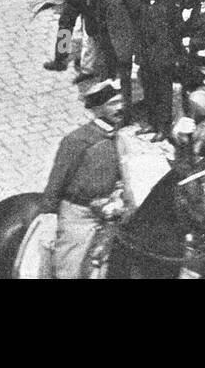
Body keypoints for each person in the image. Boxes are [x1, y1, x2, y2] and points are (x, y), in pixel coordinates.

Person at [37, 81, 124, 279]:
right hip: (79, 215)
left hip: (112, 212)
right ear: (98, 109)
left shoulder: (121, 136)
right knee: (70, 269)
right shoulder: (78, 140)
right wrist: (49, 214)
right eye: (113, 104)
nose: (120, 108)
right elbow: (57, 179)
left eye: (121, 102)